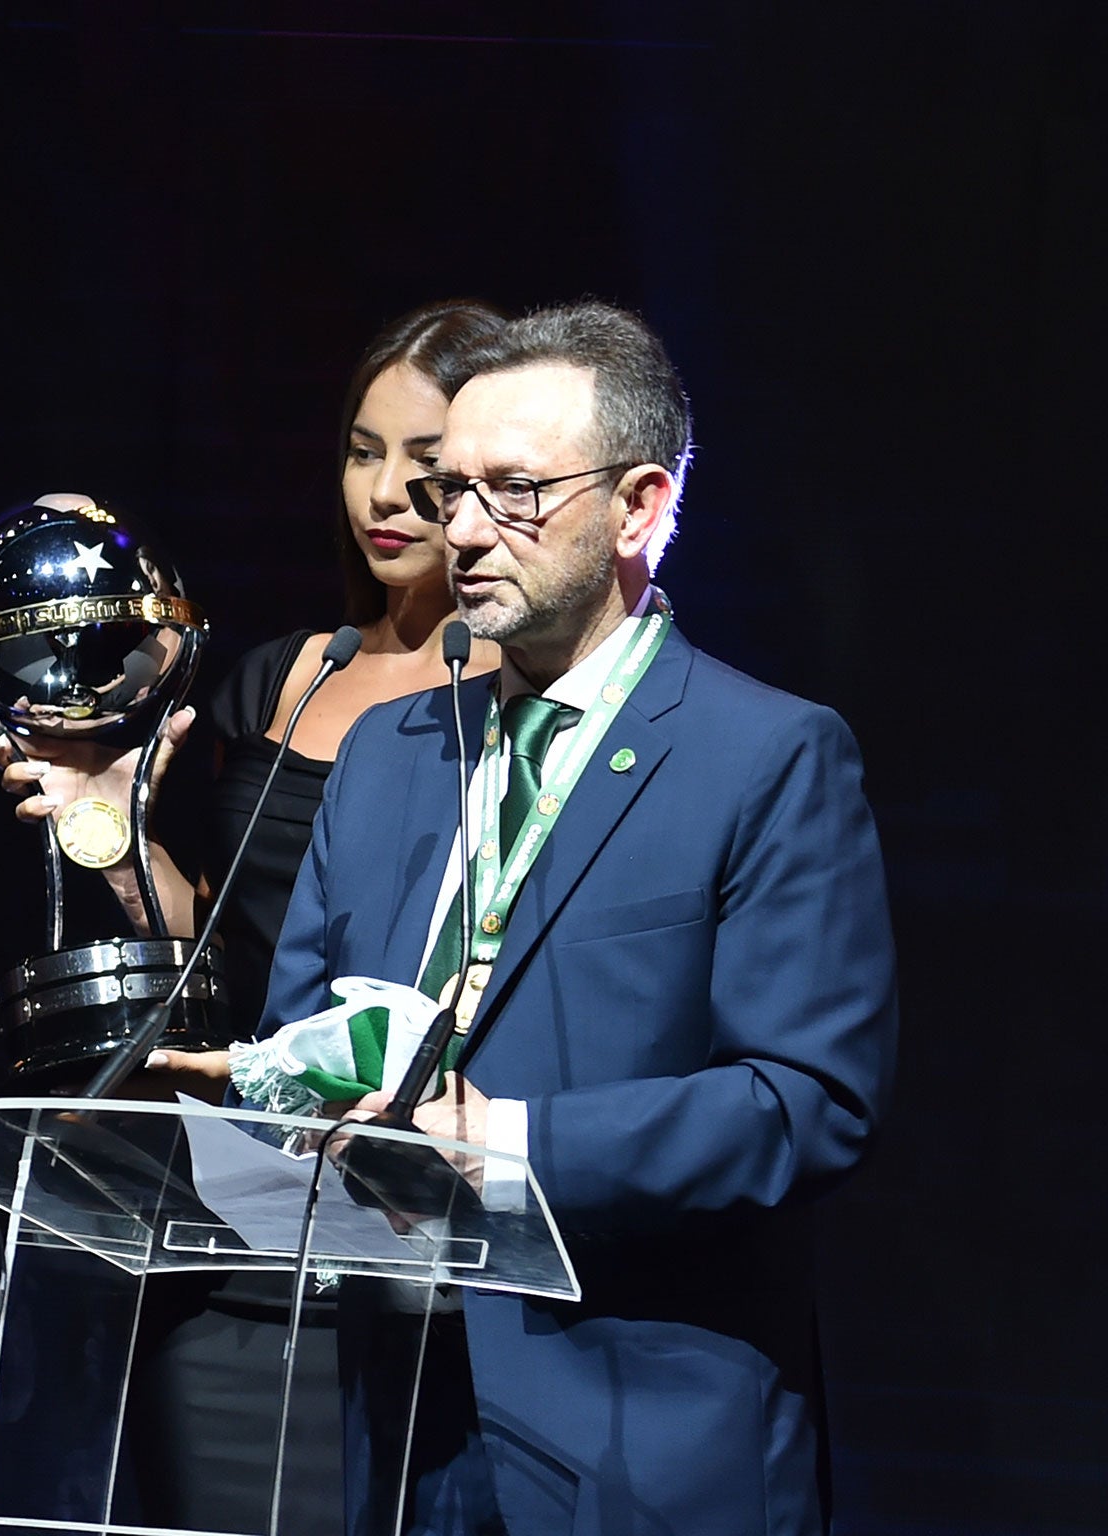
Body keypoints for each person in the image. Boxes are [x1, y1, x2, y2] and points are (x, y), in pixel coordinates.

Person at [239, 300, 897, 1535]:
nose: (466, 533)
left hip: (643, 1436)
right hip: (404, 1435)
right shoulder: (384, 754)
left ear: (638, 506)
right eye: (450, 493)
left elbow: (808, 1102)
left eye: (515, 492)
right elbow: (305, 1033)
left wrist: (515, 1144)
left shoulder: (763, 756)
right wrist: (280, 1096)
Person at [0, 300, 507, 1534]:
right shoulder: (288, 675)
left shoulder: (528, 703)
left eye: (422, 466)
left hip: (419, 1256)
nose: (382, 494)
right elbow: (209, 953)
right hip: (233, 1250)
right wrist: (105, 825)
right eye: (359, 451)